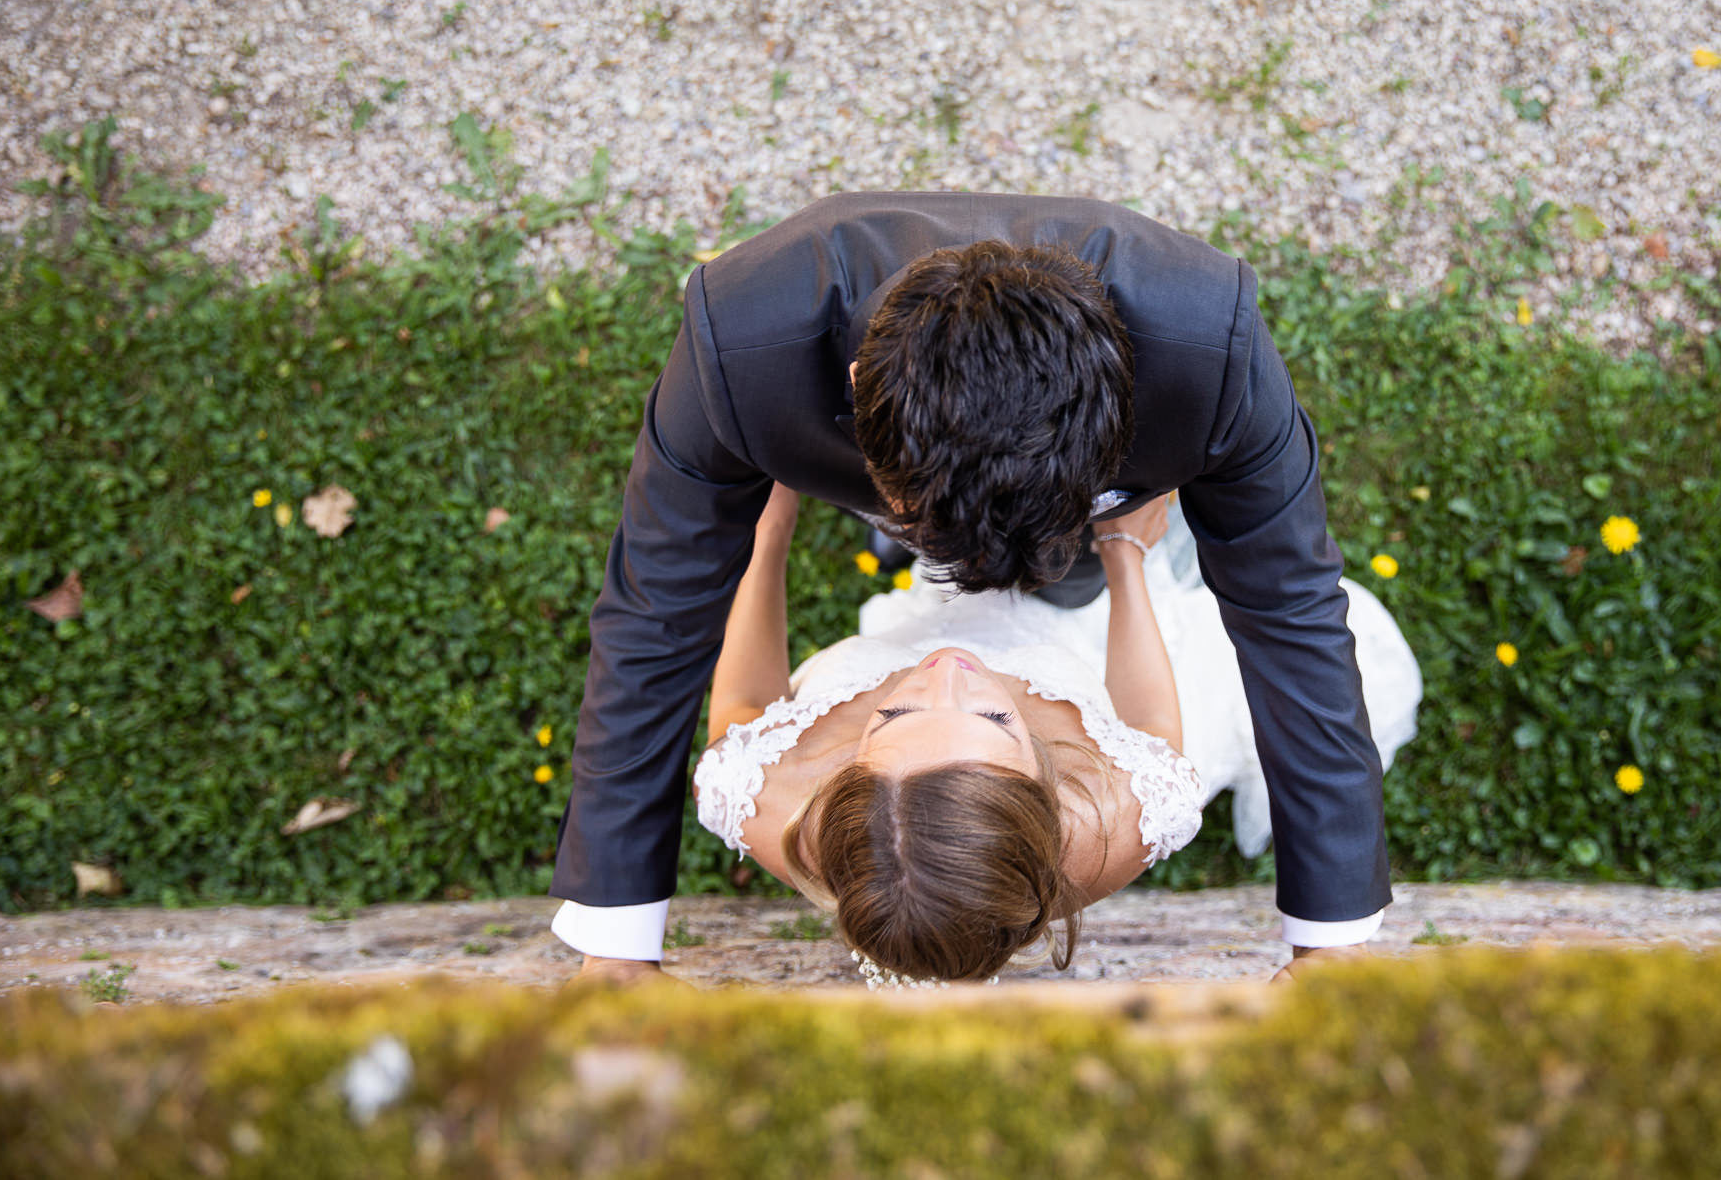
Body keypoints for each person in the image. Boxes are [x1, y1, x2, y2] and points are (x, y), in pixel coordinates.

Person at [552, 194, 1399, 983]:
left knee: (1062, 587)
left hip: (1077, 528)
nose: (950, 666)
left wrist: (1332, 944)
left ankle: (1024, 540)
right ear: (855, 393)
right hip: (907, 483)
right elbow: (654, 618)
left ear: (1125, 416)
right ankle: (907, 531)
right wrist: (617, 944)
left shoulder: (1209, 351)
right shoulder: (741, 346)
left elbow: (1289, 613)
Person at [689, 483, 1421, 983]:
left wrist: (770, 526)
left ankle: (919, 534)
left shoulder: (772, 801)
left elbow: (747, 700)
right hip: (1082, 638)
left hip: (931, 607)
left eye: (896, 715)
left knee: (936, 487)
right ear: (1047, 781)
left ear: (843, 779)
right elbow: (1153, 731)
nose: (948, 670)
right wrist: (1123, 553)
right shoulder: (1104, 822)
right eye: (994, 718)